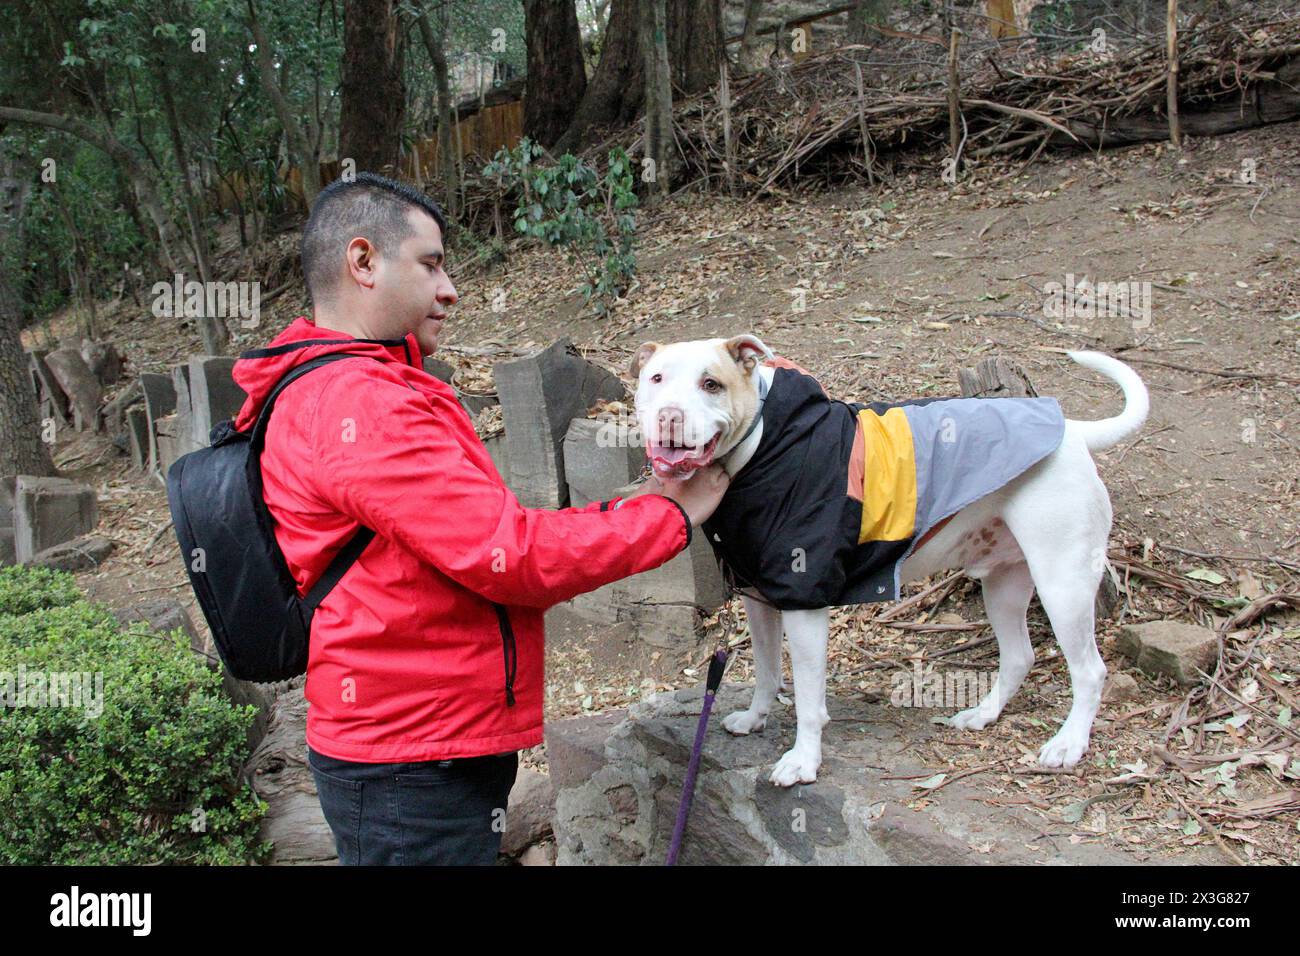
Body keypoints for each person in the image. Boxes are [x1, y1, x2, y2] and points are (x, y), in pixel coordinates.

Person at [229, 173, 728, 865]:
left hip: (418, 742)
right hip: (410, 760)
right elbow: (511, 555)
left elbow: (482, 535)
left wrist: (638, 500)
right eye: (430, 264)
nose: (450, 287)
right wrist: (664, 515)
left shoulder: (349, 385)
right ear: (363, 262)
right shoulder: (358, 403)